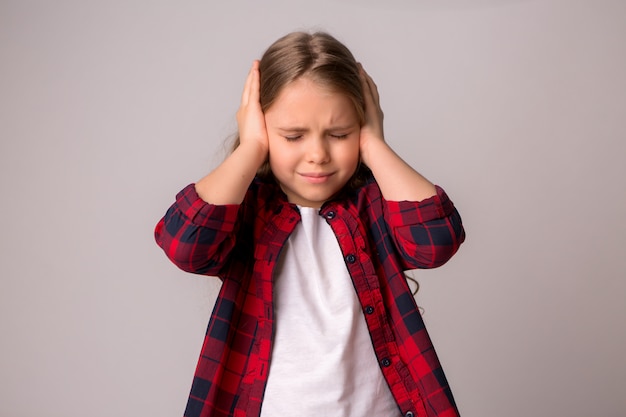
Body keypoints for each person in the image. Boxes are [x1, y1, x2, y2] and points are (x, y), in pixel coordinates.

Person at [155, 31, 466, 417]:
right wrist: (250, 147)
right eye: (293, 136)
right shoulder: (248, 208)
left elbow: (436, 242)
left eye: (339, 134)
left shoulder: (373, 204)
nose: (317, 154)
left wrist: (374, 145)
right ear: (263, 128)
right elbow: (185, 245)